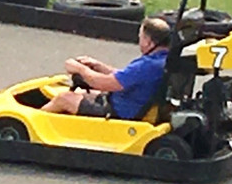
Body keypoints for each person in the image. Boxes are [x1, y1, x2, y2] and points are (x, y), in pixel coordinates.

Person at [41, 17, 171, 120]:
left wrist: (80, 69)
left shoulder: (146, 66)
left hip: (119, 113)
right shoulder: (163, 61)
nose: (139, 42)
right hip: (126, 102)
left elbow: (104, 84)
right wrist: (99, 66)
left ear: (148, 41)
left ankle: (33, 128)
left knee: (64, 99)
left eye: (140, 38)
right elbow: (123, 78)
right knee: (80, 93)